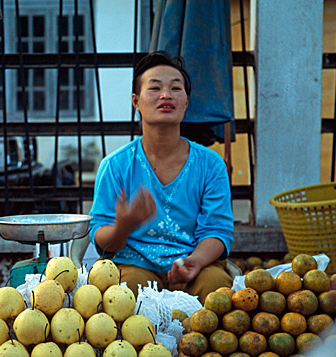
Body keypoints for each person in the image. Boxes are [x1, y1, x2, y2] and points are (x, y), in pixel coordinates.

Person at [88, 51, 234, 303]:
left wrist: (194, 262)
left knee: (217, 286)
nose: (166, 95)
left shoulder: (211, 165)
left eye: (176, 88)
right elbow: (100, 236)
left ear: (186, 102)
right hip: (133, 266)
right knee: (125, 292)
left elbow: (217, 230)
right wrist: (122, 228)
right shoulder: (115, 165)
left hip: (193, 265)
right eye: (154, 88)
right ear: (136, 101)